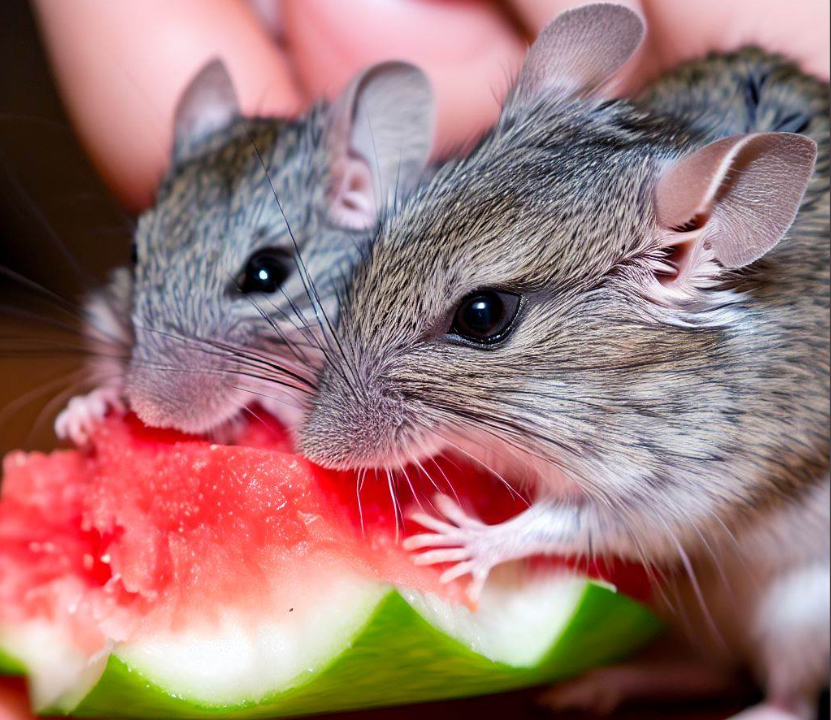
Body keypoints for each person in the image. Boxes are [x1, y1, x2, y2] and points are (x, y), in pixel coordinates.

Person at [0, 1, 827, 718]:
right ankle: (691, 653)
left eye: (480, 318)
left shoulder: (697, 328)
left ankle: (785, 696)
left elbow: (685, 500)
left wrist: (515, 537)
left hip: (791, 537)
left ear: (674, 263)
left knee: (797, 606)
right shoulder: (541, 224)